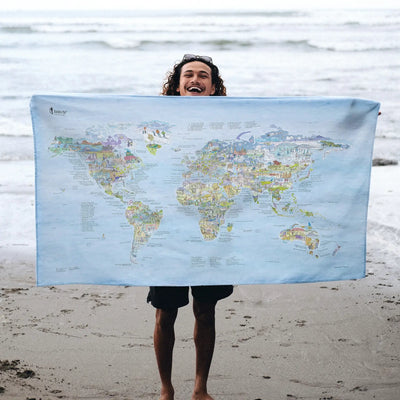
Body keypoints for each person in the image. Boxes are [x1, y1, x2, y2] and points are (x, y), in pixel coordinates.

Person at [147, 54, 233, 400]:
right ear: (177, 84)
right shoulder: (158, 121)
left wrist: (350, 118)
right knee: (165, 311)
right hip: (168, 231)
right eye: (188, 75)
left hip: (209, 227)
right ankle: (166, 389)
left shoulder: (226, 123)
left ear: (212, 88)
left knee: (205, 309)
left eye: (203, 76)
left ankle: (200, 387)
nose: (195, 79)